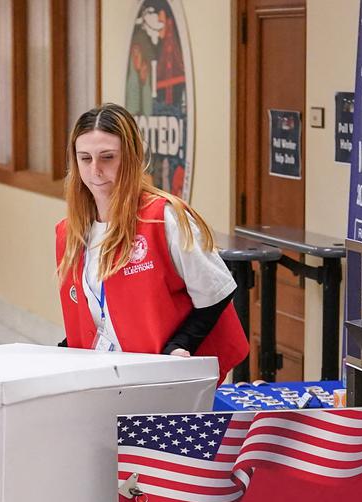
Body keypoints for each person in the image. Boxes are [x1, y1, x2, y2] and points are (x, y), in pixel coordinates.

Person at [55, 103, 248, 374]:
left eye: (107, 157)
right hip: (105, 374)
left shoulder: (163, 218)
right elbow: (93, 315)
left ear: (131, 157)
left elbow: (216, 290)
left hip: (159, 374)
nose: (95, 170)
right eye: (85, 158)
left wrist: (181, 344)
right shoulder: (70, 232)